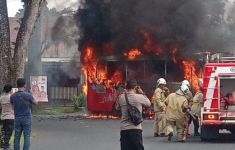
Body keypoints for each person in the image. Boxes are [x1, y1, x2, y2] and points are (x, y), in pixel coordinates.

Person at [115, 79, 151, 150]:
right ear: (135, 88)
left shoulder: (121, 97)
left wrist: (122, 94)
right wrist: (142, 93)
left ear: (126, 87)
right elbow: (148, 104)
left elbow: (117, 107)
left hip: (124, 129)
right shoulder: (140, 97)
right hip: (136, 129)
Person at [10, 78, 38, 150]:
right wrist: (31, 94)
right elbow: (36, 103)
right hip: (27, 118)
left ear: (17, 85)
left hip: (17, 118)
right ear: (25, 85)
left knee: (16, 137)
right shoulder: (28, 95)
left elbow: (12, 105)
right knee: (27, 136)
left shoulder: (12, 96)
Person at [0, 84, 14, 150]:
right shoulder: (11, 97)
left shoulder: (1, 97)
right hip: (10, 117)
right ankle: (5, 147)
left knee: (5, 132)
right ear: (10, 90)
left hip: (3, 117)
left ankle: (6, 145)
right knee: (9, 133)